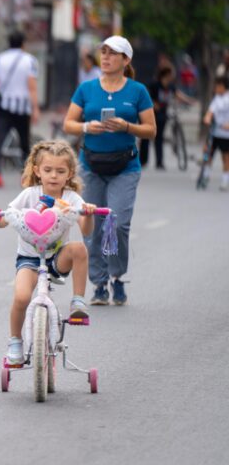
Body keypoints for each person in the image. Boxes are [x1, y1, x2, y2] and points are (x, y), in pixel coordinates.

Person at [0, 140, 98, 365]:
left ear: (70, 173)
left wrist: (89, 214)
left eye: (60, 171)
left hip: (56, 259)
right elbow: (5, 220)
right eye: (48, 170)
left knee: (79, 248)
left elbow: (86, 230)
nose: (54, 175)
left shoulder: (72, 198)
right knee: (22, 297)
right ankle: (15, 341)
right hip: (29, 259)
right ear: (37, 171)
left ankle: (78, 303)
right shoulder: (29, 194)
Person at [62, 35, 155, 306]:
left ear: (125, 60)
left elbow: (150, 130)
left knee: (118, 223)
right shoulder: (87, 88)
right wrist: (87, 127)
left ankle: (117, 276)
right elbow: (68, 123)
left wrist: (126, 127)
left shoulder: (137, 91)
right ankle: (99, 283)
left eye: (113, 53)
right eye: (103, 52)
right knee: (93, 226)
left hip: (125, 166)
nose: (105, 57)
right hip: (91, 166)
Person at [0, 30, 41, 188]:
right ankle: (24, 176)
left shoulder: (0, 59)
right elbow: (32, 86)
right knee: (24, 144)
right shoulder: (29, 60)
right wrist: (35, 108)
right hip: (22, 108)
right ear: (23, 43)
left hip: (4, 106)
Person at [141, 66, 195, 169]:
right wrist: (152, 103)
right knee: (146, 138)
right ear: (166, 75)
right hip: (150, 114)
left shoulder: (170, 86)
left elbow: (178, 95)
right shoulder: (154, 84)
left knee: (159, 138)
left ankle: (159, 162)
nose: (173, 76)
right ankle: (143, 160)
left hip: (162, 114)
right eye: (171, 74)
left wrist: (189, 101)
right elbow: (145, 95)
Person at [201, 76, 229, 191]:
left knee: (225, 158)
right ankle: (205, 176)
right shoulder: (216, 98)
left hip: (226, 135)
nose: (215, 88)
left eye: (218, 86)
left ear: (224, 87)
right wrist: (207, 117)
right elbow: (211, 111)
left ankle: (224, 181)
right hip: (214, 133)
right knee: (207, 154)